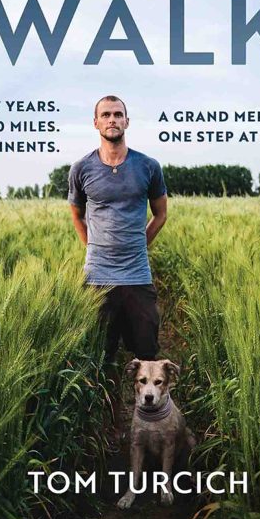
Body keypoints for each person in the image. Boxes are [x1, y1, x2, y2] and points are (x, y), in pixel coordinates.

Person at [68, 95, 169, 364]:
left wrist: (139, 245)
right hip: (98, 277)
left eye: (117, 114)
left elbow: (161, 215)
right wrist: (93, 248)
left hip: (137, 275)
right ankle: (112, 408)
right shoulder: (81, 168)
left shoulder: (149, 166)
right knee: (102, 360)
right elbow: (77, 216)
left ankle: (146, 408)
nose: (112, 120)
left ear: (127, 121)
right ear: (96, 123)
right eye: (105, 115)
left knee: (147, 358)